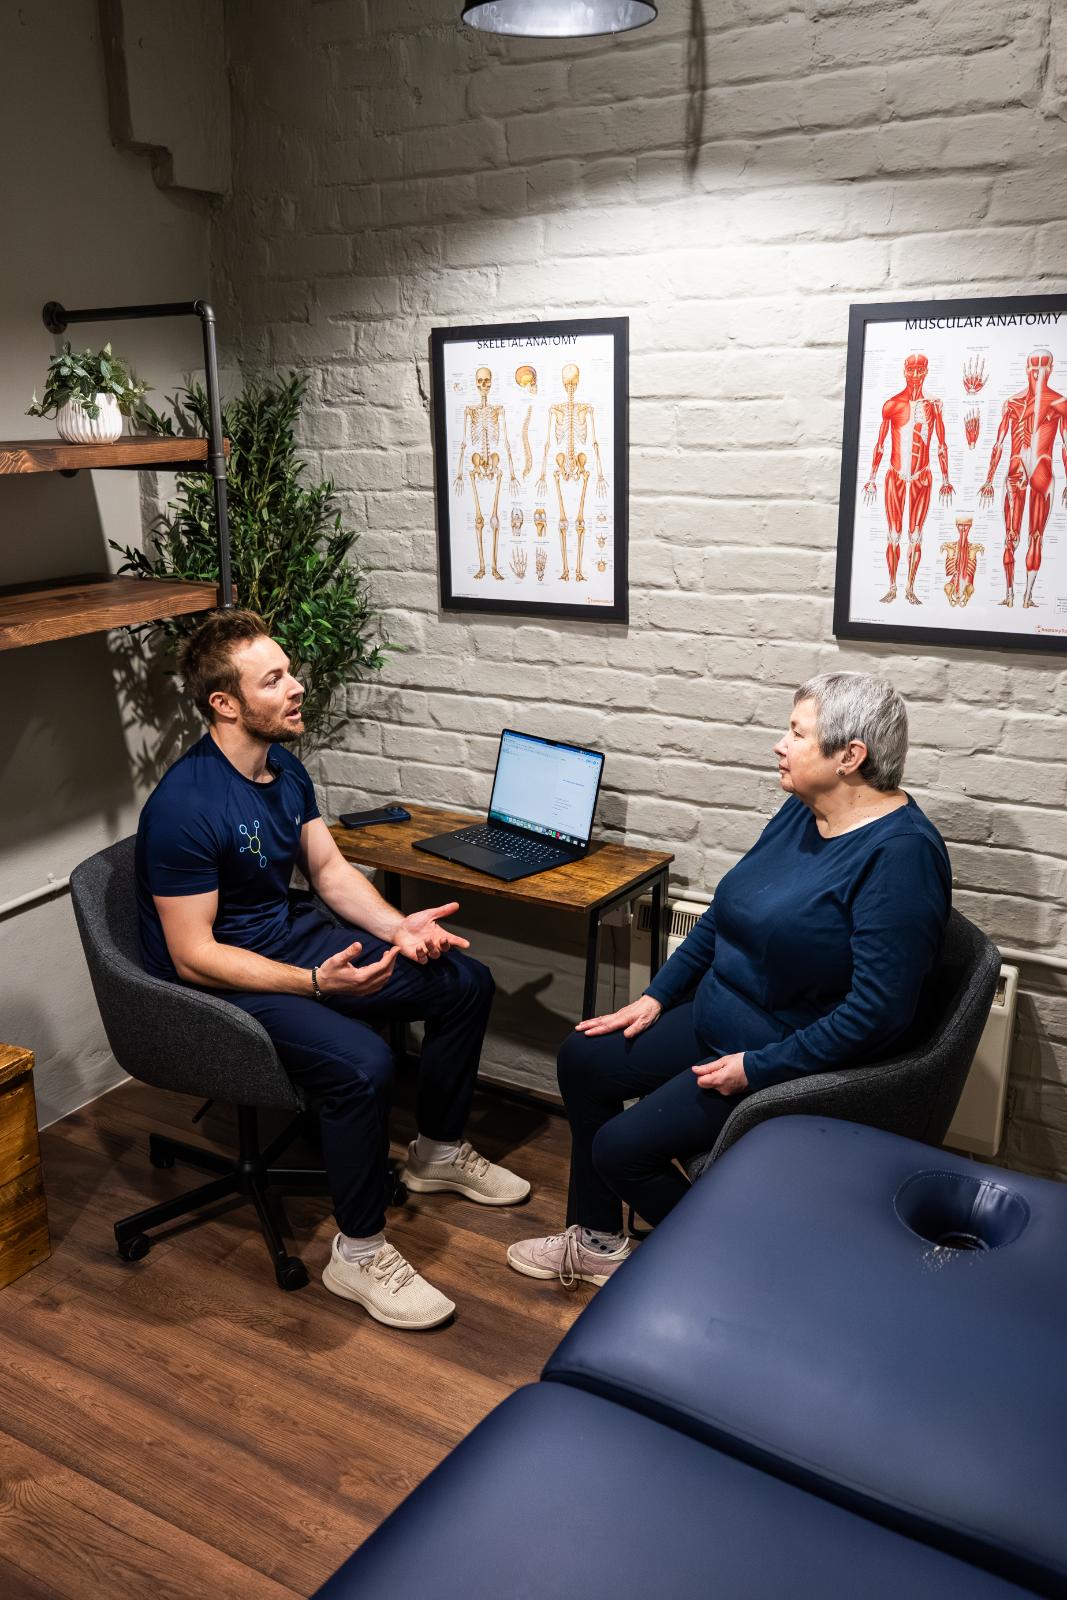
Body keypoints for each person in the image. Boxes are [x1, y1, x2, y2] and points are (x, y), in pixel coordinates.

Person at [136, 609, 529, 1332]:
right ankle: (356, 1252)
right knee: (361, 1066)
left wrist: (396, 928)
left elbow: (327, 870)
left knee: (462, 984)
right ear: (224, 704)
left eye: (289, 671)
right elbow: (193, 957)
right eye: (275, 678)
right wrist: (316, 985)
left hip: (293, 939)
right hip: (229, 981)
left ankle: (436, 1152)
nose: (297, 686)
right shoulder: (185, 808)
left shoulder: (282, 767)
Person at [507, 672, 951, 1289]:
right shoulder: (804, 812)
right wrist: (656, 996)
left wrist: (758, 1068)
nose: (780, 744)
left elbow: (879, 1015)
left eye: (797, 734)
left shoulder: (901, 858)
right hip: (720, 1017)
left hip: (784, 1057)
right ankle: (601, 1243)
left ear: (850, 757)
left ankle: (740, 1267)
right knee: (584, 1057)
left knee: (618, 1150)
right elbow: (724, 915)